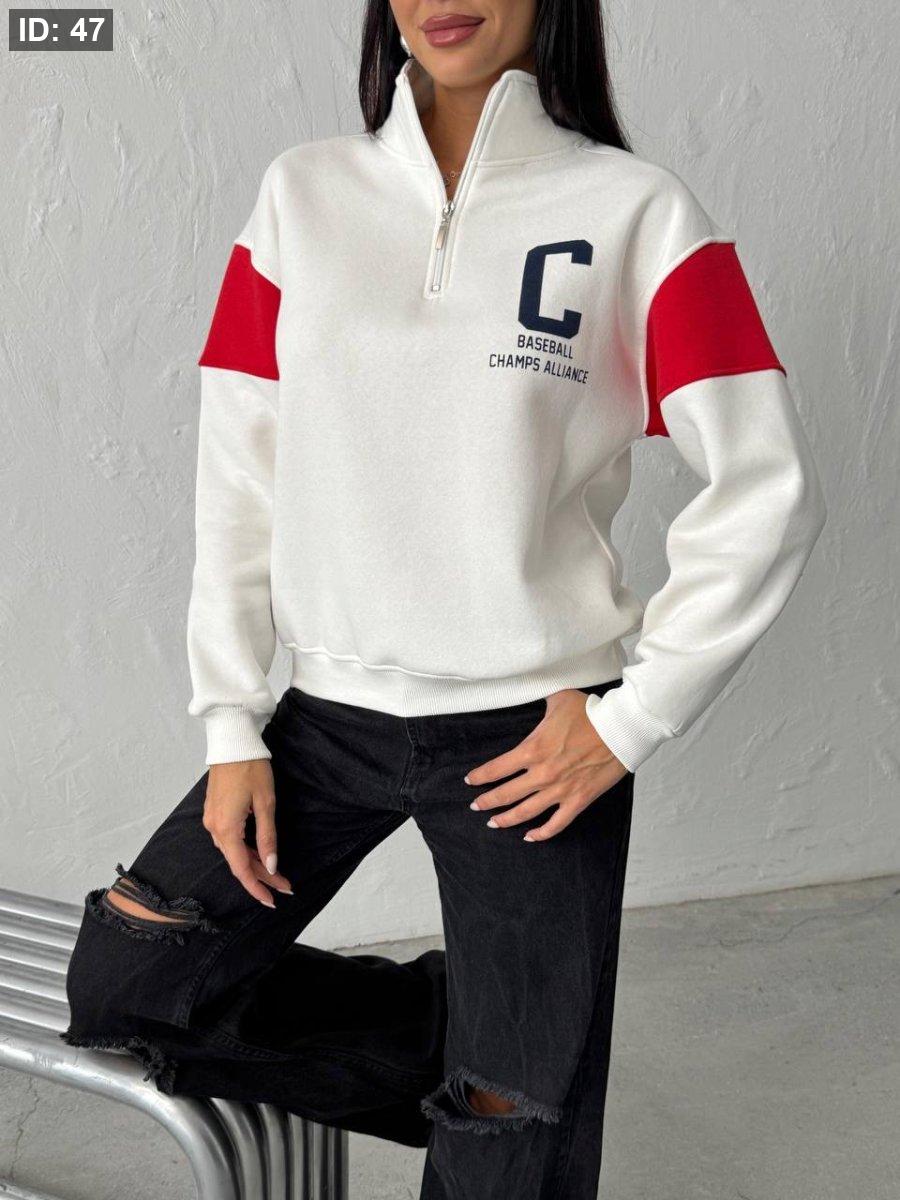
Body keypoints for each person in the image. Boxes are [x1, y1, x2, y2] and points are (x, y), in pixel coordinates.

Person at [62, 1, 827, 1196]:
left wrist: (631, 720)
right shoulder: (302, 195)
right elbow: (239, 474)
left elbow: (768, 485)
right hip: (325, 719)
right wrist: (231, 724)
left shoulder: (638, 212)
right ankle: (477, 1044)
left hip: (537, 736)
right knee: (133, 984)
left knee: (508, 1144)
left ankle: (517, 1081)